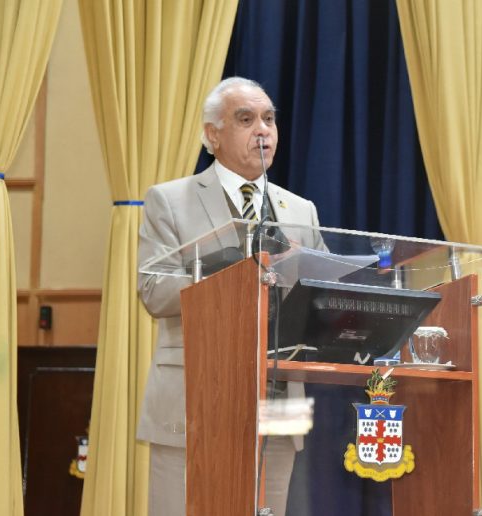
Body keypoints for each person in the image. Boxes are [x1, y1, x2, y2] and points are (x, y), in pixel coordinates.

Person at [136, 77, 323, 516]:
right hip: (194, 403)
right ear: (212, 135)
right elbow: (154, 290)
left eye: (269, 119)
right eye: (246, 119)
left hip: (277, 406)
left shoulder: (301, 210)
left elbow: (321, 296)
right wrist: (238, 266)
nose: (263, 131)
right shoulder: (169, 200)